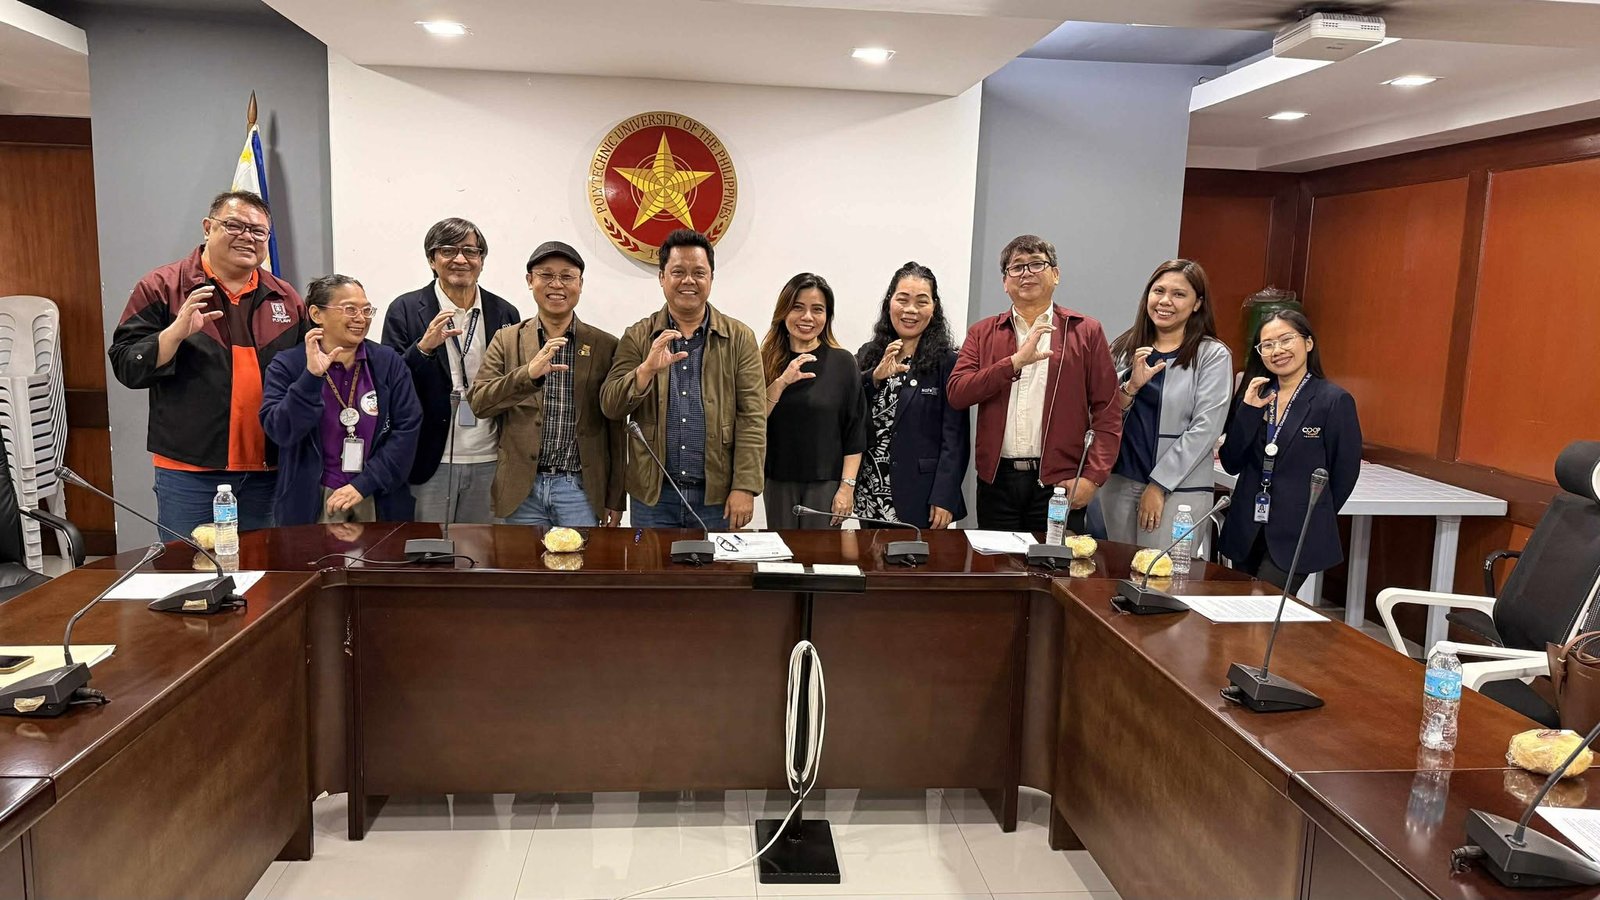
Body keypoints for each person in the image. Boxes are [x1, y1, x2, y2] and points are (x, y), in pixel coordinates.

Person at [109, 190, 307, 535]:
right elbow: (127, 365)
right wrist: (175, 334)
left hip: (268, 471)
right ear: (207, 227)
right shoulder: (163, 287)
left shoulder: (286, 297)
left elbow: (304, 374)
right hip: (191, 472)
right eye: (234, 225)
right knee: (191, 565)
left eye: (258, 231)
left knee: (262, 566)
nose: (247, 237)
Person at [947, 235, 1121, 534]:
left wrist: (1093, 477)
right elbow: (958, 393)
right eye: (1016, 267)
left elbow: (1108, 409)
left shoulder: (1085, 331)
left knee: (1051, 562)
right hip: (997, 480)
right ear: (1005, 282)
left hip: (1060, 481)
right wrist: (1014, 362)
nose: (1026, 273)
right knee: (998, 562)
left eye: (1037, 264)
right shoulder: (983, 332)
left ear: (1056, 274)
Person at [600, 229, 765, 530]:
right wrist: (645, 371)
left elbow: (752, 418)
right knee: (649, 562)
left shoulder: (740, 338)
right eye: (678, 272)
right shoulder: (638, 336)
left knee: (716, 563)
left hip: (717, 495)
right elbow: (610, 405)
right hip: (653, 495)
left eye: (698, 273)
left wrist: (745, 485)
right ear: (662, 277)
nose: (688, 280)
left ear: (711, 278)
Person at [467, 241, 626, 527]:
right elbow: (479, 402)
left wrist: (615, 497)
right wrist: (527, 375)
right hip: (521, 490)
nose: (557, 284)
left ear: (580, 284)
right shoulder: (507, 340)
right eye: (546, 275)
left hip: (579, 490)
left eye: (567, 276)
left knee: (580, 558)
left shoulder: (605, 345)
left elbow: (615, 427)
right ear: (530, 280)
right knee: (519, 558)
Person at [381, 218, 520, 524]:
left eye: (470, 251)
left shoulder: (505, 312)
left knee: (481, 549)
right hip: (430, 457)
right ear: (432, 260)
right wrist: (422, 349)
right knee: (428, 547)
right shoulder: (405, 309)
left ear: (481, 260)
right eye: (448, 250)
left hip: (490, 456)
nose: (460, 259)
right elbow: (388, 384)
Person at [1217, 310, 1361, 592]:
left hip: (1296, 531)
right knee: (1238, 606)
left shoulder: (1333, 401)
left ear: (1308, 343)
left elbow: (1344, 473)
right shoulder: (1254, 395)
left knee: (1265, 606)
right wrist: (1247, 412)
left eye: (1286, 340)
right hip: (1247, 526)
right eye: (1267, 345)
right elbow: (1231, 462)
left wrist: (1314, 516)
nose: (1277, 350)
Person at [260, 275, 421, 526]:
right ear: (316, 314)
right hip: (311, 500)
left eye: (366, 310)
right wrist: (311, 377)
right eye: (350, 309)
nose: (361, 318)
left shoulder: (388, 362)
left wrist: (364, 484)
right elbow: (280, 431)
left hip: (377, 494)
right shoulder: (288, 365)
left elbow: (407, 429)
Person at [1102, 259, 1233, 555]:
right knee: (1117, 573)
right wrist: (1130, 388)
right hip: (1120, 483)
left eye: (1179, 294)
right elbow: (1103, 417)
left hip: (1178, 490)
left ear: (1197, 304)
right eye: (1158, 291)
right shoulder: (1123, 349)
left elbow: (1206, 428)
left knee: (1161, 576)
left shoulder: (1211, 355)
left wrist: (1158, 484)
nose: (1165, 301)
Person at [853, 261, 969, 530]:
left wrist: (945, 495)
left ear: (934, 307)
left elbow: (955, 438)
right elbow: (850, 413)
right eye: (902, 300)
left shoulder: (948, 363)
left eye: (921, 302)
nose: (911, 310)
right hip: (869, 490)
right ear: (889, 302)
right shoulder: (868, 354)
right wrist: (874, 377)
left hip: (922, 494)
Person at [759, 273, 867, 529]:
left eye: (817, 309)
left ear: (827, 316)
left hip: (826, 483)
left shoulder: (843, 362)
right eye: (798, 307)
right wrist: (781, 382)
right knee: (780, 550)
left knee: (821, 552)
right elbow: (753, 420)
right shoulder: (764, 360)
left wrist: (847, 488)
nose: (807, 317)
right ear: (784, 312)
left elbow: (855, 430)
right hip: (777, 480)